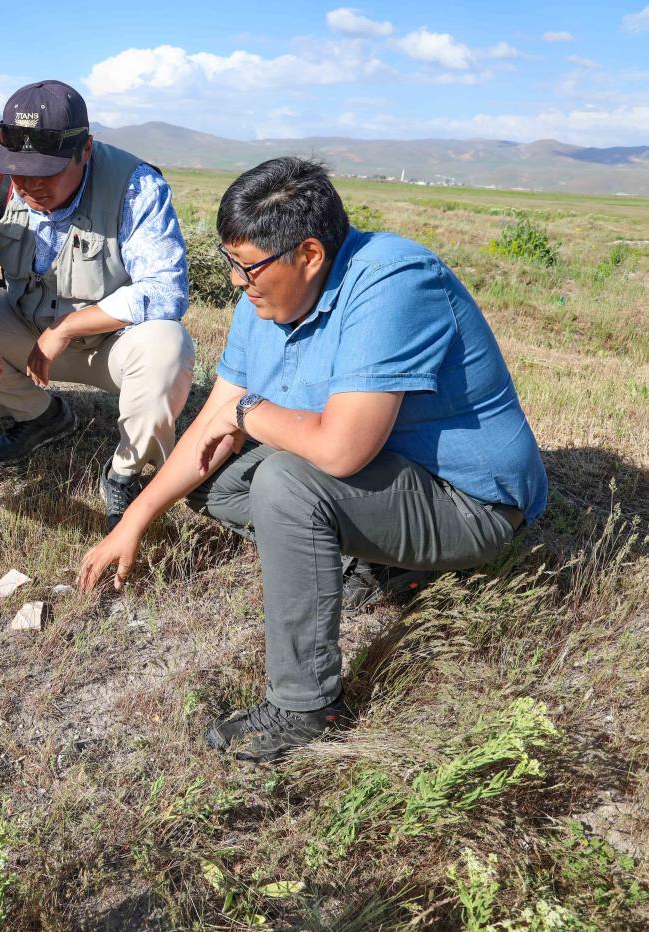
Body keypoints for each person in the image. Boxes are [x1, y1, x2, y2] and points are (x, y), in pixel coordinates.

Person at [78, 157, 548, 762]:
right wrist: (133, 521)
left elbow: (339, 449)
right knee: (215, 476)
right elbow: (213, 422)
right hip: (389, 480)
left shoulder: (394, 284)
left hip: (470, 504)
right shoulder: (265, 300)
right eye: (230, 264)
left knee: (285, 482)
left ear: (309, 254)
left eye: (247, 268)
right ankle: (391, 566)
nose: (237, 284)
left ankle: (304, 708)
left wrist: (247, 414)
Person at [0, 80, 194, 530]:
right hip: (27, 332)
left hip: (112, 345)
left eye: (45, 173)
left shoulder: (135, 184)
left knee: (169, 345)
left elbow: (165, 290)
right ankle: (40, 416)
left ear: (85, 150)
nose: (29, 186)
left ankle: (124, 472)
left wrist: (66, 328)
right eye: (20, 172)